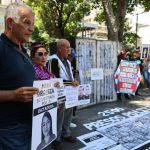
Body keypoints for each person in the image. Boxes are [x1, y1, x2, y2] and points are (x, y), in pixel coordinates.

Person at [0, 2, 39, 150]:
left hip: (29, 124)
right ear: (10, 23)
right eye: (27, 23)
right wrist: (13, 95)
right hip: (9, 131)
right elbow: (16, 92)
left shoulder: (22, 50)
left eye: (33, 24)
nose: (32, 29)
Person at [47, 39, 79, 150]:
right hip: (58, 94)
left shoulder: (68, 61)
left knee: (68, 114)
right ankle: (56, 139)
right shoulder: (53, 60)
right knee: (59, 117)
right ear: (60, 48)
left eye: (69, 47)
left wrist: (74, 81)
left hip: (69, 92)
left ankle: (66, 134)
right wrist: (72, 82)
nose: (68, 50)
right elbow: (53, 79)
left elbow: (69, 77)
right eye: (66, 47)